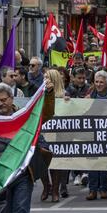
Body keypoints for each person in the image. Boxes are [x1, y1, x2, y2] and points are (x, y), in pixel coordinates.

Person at [0, 81, 55, 213]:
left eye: (3, 100)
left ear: (11, 98)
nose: (0, 104)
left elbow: (45, 114)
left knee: (20, 210)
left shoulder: (24, 116)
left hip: (23, 171)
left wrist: (49, 94)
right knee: (2, 212)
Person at [84, 70, 107, 200]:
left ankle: (103, 189)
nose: (98, 84)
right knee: (92, 162)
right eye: (96, 82)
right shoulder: (89, 95)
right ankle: (92, 190)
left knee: (105, 163)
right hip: (92, 133)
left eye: (101, 82)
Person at [39, 69, 66, 202]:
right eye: (44, 78)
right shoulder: (39, 94)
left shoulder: (63, 95)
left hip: (58, 133)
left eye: (47, 78)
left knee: (56, 163)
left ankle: (55, 190)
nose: (44, 80)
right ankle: (46, 186)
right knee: (43, 161)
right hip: (43, 132)